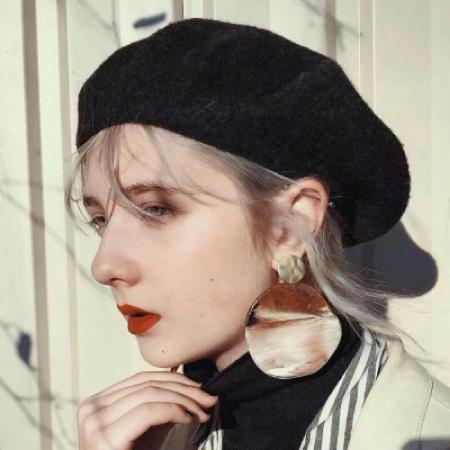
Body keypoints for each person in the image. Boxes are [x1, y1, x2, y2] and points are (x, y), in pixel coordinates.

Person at [66, 18, 450, 450]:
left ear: (290, 227)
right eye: (100, 219)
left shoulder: (424, 435)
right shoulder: (156, 434)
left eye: (157, 209)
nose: (104, 265)